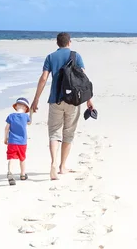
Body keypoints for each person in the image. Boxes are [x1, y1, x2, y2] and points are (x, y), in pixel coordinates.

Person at [30, 32, 94, 180]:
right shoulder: (76, 56)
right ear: (69, 42)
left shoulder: (50, 57)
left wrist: (36, 99)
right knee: (68, 133)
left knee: (54, 133)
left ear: (57, 43)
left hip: (55, 100)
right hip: (73, 101)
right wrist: (89, 99)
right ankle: (62, 166)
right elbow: (83, 80)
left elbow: (44, 78)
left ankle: (53, 163)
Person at [5, 97, 32, 186]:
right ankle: (23, 175)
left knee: (11, 158)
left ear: (16, 106)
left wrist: (5, 138)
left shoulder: (11, 116)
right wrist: (31, 113)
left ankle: (10, 172)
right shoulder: (25, 116)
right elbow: (29, 122)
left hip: (12, 141)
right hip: (22, 142)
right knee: (22, 158)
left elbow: (7, 128)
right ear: (25, 108)